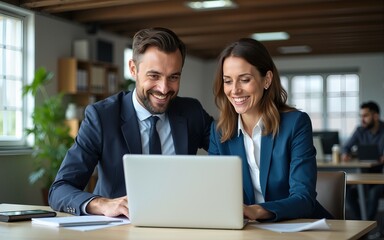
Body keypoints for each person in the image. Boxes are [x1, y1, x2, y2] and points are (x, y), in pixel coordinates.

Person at [48, 27, 213, 217]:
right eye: (154, 76)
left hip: (179, 224)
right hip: (120, 230)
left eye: (173, 77)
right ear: (133, 69)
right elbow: (59, 190)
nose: (164, 88)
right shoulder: (102, 117)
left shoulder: (191, 112)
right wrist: (102, 204)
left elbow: (230, 146)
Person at [208, 38, 332, 222]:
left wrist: (257, 211)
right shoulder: (219, 131)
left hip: (301, 227)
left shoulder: (296, 123)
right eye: (227, 81)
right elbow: (216, 194)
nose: (235, 90)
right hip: (249, 231)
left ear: (266, 80)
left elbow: (304, 199)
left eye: (245, 80)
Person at [342, 101, 384, 220]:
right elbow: (346, 147)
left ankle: (368, 225)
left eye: (365, 116)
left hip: (380, 176)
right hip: (363, 175)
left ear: (375, 116)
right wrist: (346, 153)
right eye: (361, 116)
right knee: (347, 191)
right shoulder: (360, 130)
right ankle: (362, 223)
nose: (362, 119)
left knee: (373, 191)